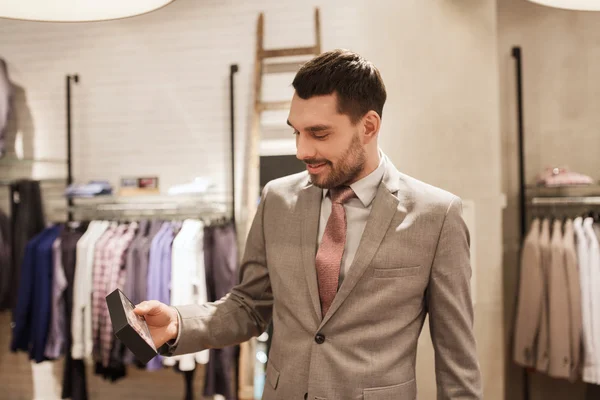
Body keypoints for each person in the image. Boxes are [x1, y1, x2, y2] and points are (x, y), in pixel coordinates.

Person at [134, 49, 483, 400]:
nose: (301, 150)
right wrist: (178, 323)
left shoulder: (436, 215)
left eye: (318, 133)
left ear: (369, 126)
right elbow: (249, 305)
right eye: (296, 132)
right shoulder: (277, 199)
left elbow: (457, 360)